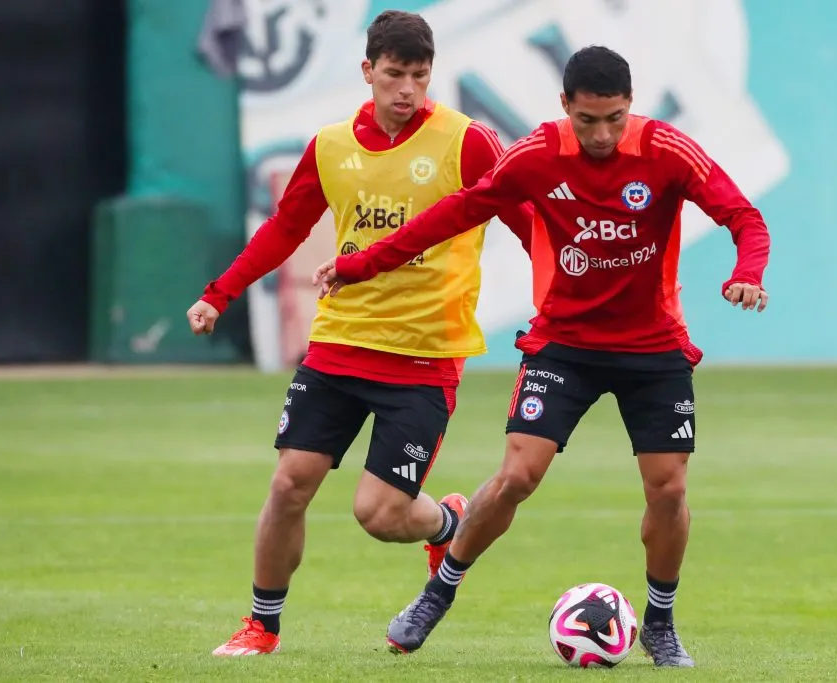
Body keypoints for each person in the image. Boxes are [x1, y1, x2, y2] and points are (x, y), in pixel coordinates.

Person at [313, 45, 771, 668]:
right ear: (564, 107)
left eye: (614, 118)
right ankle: (437, 593)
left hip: (653, 348)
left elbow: (744, 217)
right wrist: (359, 265)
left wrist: (748, 271)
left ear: (630, 107)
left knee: (668, 489)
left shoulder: (667, 151)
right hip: (566, 344)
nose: (603, 134)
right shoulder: (537, 155)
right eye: (588, 120)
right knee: (516, 478)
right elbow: (455, 212)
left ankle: (660, 622)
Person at [186, 10, 533, 657]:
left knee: (379, 514)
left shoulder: (468, 143)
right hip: (340, 343)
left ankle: (447, 520)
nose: (407, 89)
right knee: (289, 482)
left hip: (424, 355)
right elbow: (284, 229)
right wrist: (219, 293)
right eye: (394, 75)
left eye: (420, 76)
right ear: (367, 71)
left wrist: (561, 293)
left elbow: (529, 222)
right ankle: (261, 625)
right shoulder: (331, 146)